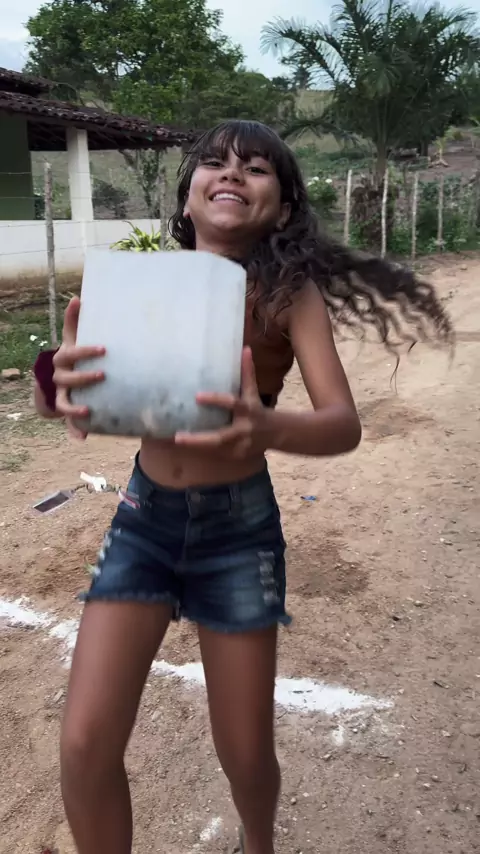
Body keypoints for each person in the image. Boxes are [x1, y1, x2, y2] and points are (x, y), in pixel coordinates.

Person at [35, 119, 452, 854]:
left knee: (248, 754)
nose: (232, 173)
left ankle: (258, 842)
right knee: (83, 744)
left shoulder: (290, 296)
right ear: (187, 196)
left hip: (238, 532)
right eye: (214, 162)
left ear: (282, 208)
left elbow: (343, 424)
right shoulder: (143, 283)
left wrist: (265, 427)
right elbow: (78, 394)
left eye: (256, 168)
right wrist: (54, 383)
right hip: (142, 520)